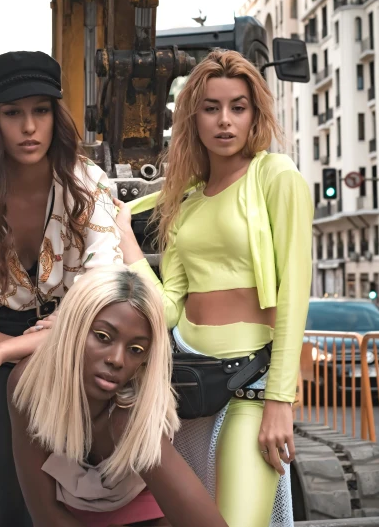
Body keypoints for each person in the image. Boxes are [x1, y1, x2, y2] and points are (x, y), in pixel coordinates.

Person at [115, 49, 313, 527]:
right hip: (189, 387)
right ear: (193, 116)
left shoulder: (275, 177)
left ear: (254, 115)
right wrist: (126, 238)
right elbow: (169, 310)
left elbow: (294, 294)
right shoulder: (186, 203)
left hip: (251, 386)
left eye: (237, 107)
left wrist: (279, 401)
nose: (225, 121)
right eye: (211, 107)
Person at [0, 51, 123, 527]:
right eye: (13, 113)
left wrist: (26, 351)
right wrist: (9, 353)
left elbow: (102, 289)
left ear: (57, 114)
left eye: (41, 110)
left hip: (81, 341)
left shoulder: (88, 183)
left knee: (88, 491)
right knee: (1, 494)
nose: (29, 126)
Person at [8, 265, 228, 527]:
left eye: (136, 349)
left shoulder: (128, 416)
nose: (116, 360)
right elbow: (45, 514)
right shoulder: (31, 384)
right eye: (102, 337)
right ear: (73, 328)